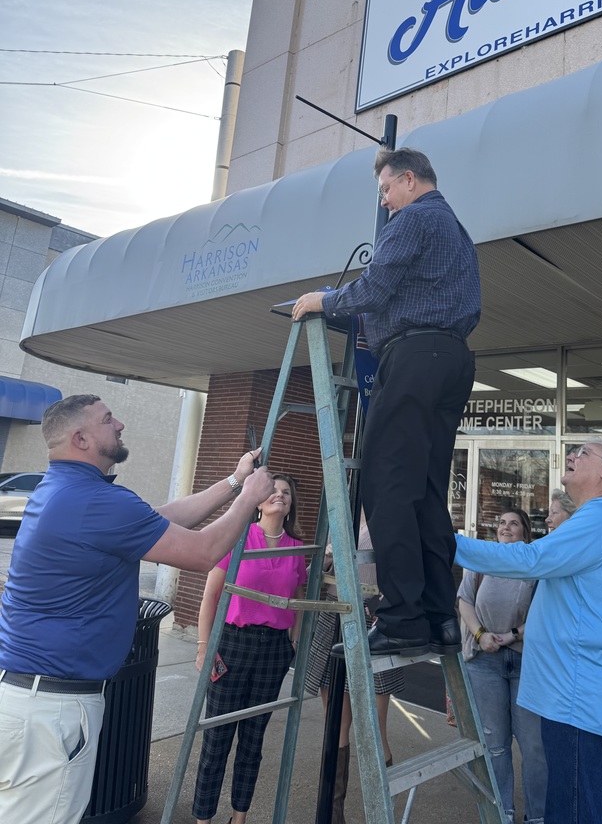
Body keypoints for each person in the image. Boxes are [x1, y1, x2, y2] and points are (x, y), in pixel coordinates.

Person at [0, 393, 275, 824]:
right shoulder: (94, 501)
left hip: (27, 698)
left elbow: (161, 518)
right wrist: (251, 497)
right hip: (51, 711)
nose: (121, 424)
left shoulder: (66, 491)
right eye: (108, 419)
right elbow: (204, 552)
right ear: (82, 438)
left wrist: (235, 482)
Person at [292, 146, 480, 658]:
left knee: (386, 483)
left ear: (410, 180)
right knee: (422, 490)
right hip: (452, 359)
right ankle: (440, 618)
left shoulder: (414, 218)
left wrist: (323, 301)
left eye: (386, 191)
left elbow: (375, 287)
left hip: (416, 357)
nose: (386, 204)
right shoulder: (457, 232)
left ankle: (400, 618)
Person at [454, 439, 602, 824]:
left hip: (581, 703)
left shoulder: (601, 516)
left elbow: (530, 559)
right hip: (595, 699)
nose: (571, 456)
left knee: (575, 810)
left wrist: (448, 545)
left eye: (583, 453)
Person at [192, 472, 307, 824]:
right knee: (217, 739)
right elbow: (211, 596)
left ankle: (238, 819)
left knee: (253, 742)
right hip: (233, 644)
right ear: (257, 501)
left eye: (286, 492)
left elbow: (298, 599)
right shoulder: (239, 539)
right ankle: (203, 819)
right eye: (273, 490)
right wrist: (203, 647)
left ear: (291, 505)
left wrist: (293, 642)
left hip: (273, 651)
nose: (280, 495)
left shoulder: (298, 549)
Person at [304, 517, 404, 823]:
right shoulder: (340, 510)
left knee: (375, 733)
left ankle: (380, 814)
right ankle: (333, 817)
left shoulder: (389, 508)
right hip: (333, 618)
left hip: (372, 623)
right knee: (336, 728)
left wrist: (380, 607)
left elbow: (404, 571)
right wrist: (327, 558)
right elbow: (313, 575)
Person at [458, 508, 547, 824]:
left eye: (514, 524)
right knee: (495, 744)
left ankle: (537, 816)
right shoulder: (482, 561)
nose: (506, 528)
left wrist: (511, 636)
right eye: (501, 523)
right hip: (485, 662)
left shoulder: (535, 563)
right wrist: (481, 635)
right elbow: (464, 601)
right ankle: (502, 812)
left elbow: (543, 613)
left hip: (525, 662)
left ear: (525, 532)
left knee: (534, 748)